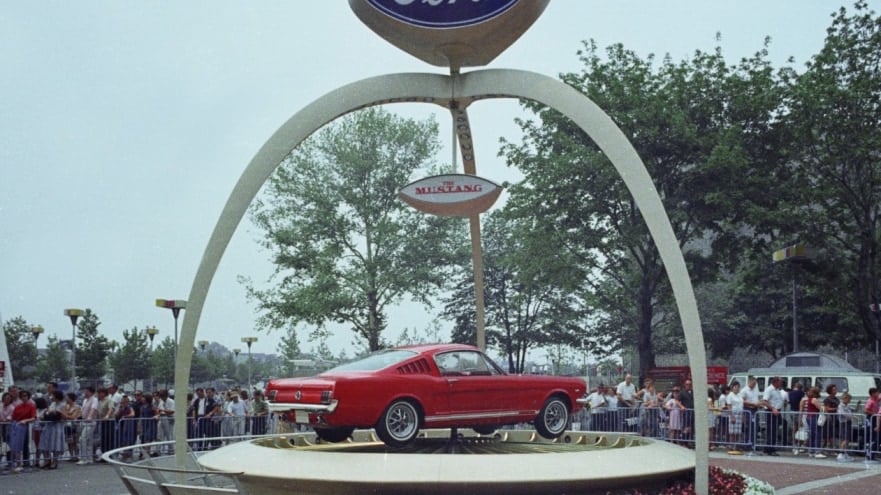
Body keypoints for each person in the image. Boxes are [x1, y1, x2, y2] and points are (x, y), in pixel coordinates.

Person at [8, 390, 37, 473]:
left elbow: (33, 417)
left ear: (28, 397)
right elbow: (13, 416)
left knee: (22, 445)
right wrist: (10, 419)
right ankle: (18, 463)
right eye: (23, 396)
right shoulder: (18, 406)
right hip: (16, 426)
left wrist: (25, 420)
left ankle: (23, 463)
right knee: (14, 444)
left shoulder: (31, 406)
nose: (24, 397)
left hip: (25, 426)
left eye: (26, 395)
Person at [38, 390, 65, 469]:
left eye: (53, 395)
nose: (51, 397)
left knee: (56, 444)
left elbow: (62, 416)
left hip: (57, 426)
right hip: (48, 426)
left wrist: (54, 413)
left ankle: (55, 461)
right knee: (44, 443)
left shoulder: (63, 405)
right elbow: (47, 413)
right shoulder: (52, 404)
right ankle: (47, 460)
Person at [761, 376, 786, 456]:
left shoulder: (777, 390)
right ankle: (770, 449)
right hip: (771, 412)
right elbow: (765, 401)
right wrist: (773, 409)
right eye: (780, 382)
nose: (781, 383)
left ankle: (768, 447)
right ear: (776, 382)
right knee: (771, 430)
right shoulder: (769, 389)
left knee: (774, 430)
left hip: (777, 411)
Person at [77, 386, 99, 464]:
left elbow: (93, 409)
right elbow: (82, 410)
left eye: (86, 391)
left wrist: (90, 416)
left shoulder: (94, 399)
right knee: (88, 440)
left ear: (90, 392)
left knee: (83, 439)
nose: (84, 393)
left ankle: (84, 458)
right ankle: (89, 458)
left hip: (90, 423)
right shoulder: (85, 400)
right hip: (84, 422)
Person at [805, 386, 826, 458]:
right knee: (817, 433)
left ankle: (811, 451)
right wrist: (824, 407)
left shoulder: (809, 399)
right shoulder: (814, 399)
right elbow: (820, 408)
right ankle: (817, 451)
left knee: (812, 434)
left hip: (809, 417)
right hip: (813, 417)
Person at [61, 391, 81, 462]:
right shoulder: (66, 406)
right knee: (69, 441)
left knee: (74, 441)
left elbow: (74, 416)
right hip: (67, 426)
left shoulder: (77, 406)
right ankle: (71, 455)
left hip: (74, 426)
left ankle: (76, 455)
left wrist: (66, 415)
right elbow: (63, 415)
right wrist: (66, 415)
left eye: (67, 398)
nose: (66, 399)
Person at [726, 381, 745, 455]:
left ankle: (736, 445)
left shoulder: (740, 395)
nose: (737, 388)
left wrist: (743, 416)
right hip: (733, 415)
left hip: (739, 415)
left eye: (738, 387)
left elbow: (741, 405)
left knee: (738, 432)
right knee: (732, 432)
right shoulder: (730, 395)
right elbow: (729, 406)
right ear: (732, 387)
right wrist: (732, 416)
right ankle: (731, 446)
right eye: (735, 387)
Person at [822, 384, 840, 455]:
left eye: (836, 389)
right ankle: (823, 448)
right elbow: (826, 408)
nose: (835, 391)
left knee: (832, 434)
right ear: (830, 391)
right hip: (829, 418)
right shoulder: (827, 399)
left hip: (835, 418)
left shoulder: (836, 399)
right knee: (827, 434)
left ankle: (832, 448)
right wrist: (836, 409)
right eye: (834, 389)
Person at [155, 389, 174, 455]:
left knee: (169, 435)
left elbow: (172, 411)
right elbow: (158, 409)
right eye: (161, 396)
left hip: (169, 419)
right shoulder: (161, 401)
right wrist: (158, 413)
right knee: (159, 435)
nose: (162, 397)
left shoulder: (171, 401)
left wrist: (162, 410)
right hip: (162, 418)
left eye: (163, 396)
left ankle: (171, 450)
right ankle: (157, 450)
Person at [837, 392, 854, 461]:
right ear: (845, 398)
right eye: (849, 399)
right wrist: (850, 416)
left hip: (848, 422)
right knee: (845, 438)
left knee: (847, 438)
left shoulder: (847, 406)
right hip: (844, 423)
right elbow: (842, 413)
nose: (849, 401)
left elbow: (852, 410)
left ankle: (845, 452)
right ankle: (841, 453)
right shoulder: (841, 406)